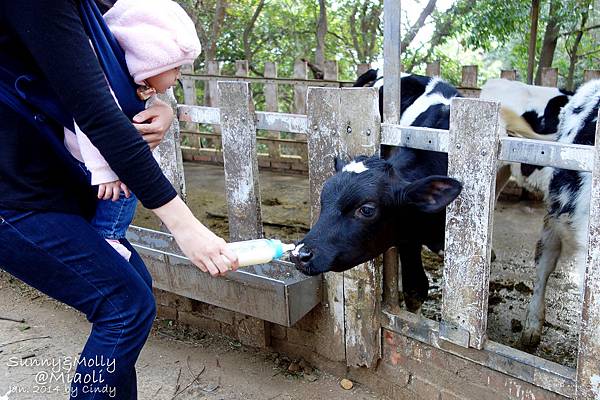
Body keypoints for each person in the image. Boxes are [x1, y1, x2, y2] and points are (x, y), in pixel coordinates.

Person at [0, 1, 238, 399]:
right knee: (124, 307)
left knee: (133, 295)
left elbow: (112, 72)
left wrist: (161, 107)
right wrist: (186, 227)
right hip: (14, 197)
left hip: (54, 186)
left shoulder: (101, 6)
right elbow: (95, 111)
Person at [65, 0, 202, 260]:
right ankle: (109, 235)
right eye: (175, 67)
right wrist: (105, 170)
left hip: (109, 154)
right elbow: (87, 122)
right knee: (124, 190)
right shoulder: (105, 78)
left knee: (125, 187)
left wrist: (160, 106)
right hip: (95, 156)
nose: (178, 76)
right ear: (149, 59)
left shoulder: (131, 79)